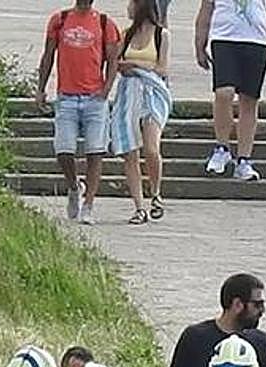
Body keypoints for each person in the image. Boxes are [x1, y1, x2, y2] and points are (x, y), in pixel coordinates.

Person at [37, 0, 122, 226]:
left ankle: (89, 204)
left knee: (95, 151)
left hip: (94, 97)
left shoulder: (105, 23)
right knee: (64, 150)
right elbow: (48, 56)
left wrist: (106, 89)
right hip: (66, 95)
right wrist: (40, 88)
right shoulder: (60, 19)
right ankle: (74, 186)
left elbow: (113, 60)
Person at [195, 0, 266, 181]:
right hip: (224, 38)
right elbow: (205, 12)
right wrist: (200, 44)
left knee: (249, 100)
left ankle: (244, 158)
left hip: (256, 41)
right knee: (224, 93)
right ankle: (222, 147)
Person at [110, 0, 172, 225]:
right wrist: (122, 66)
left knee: (151, 147)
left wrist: (136, 66)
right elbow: (115, 62)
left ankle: (155, 192)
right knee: (130, 152)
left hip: (152, 94)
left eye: (132, 4)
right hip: (129, 94)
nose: (128, 8)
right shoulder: (125, 34)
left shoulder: (161, 35)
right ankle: (138, 206)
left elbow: (162, 68)